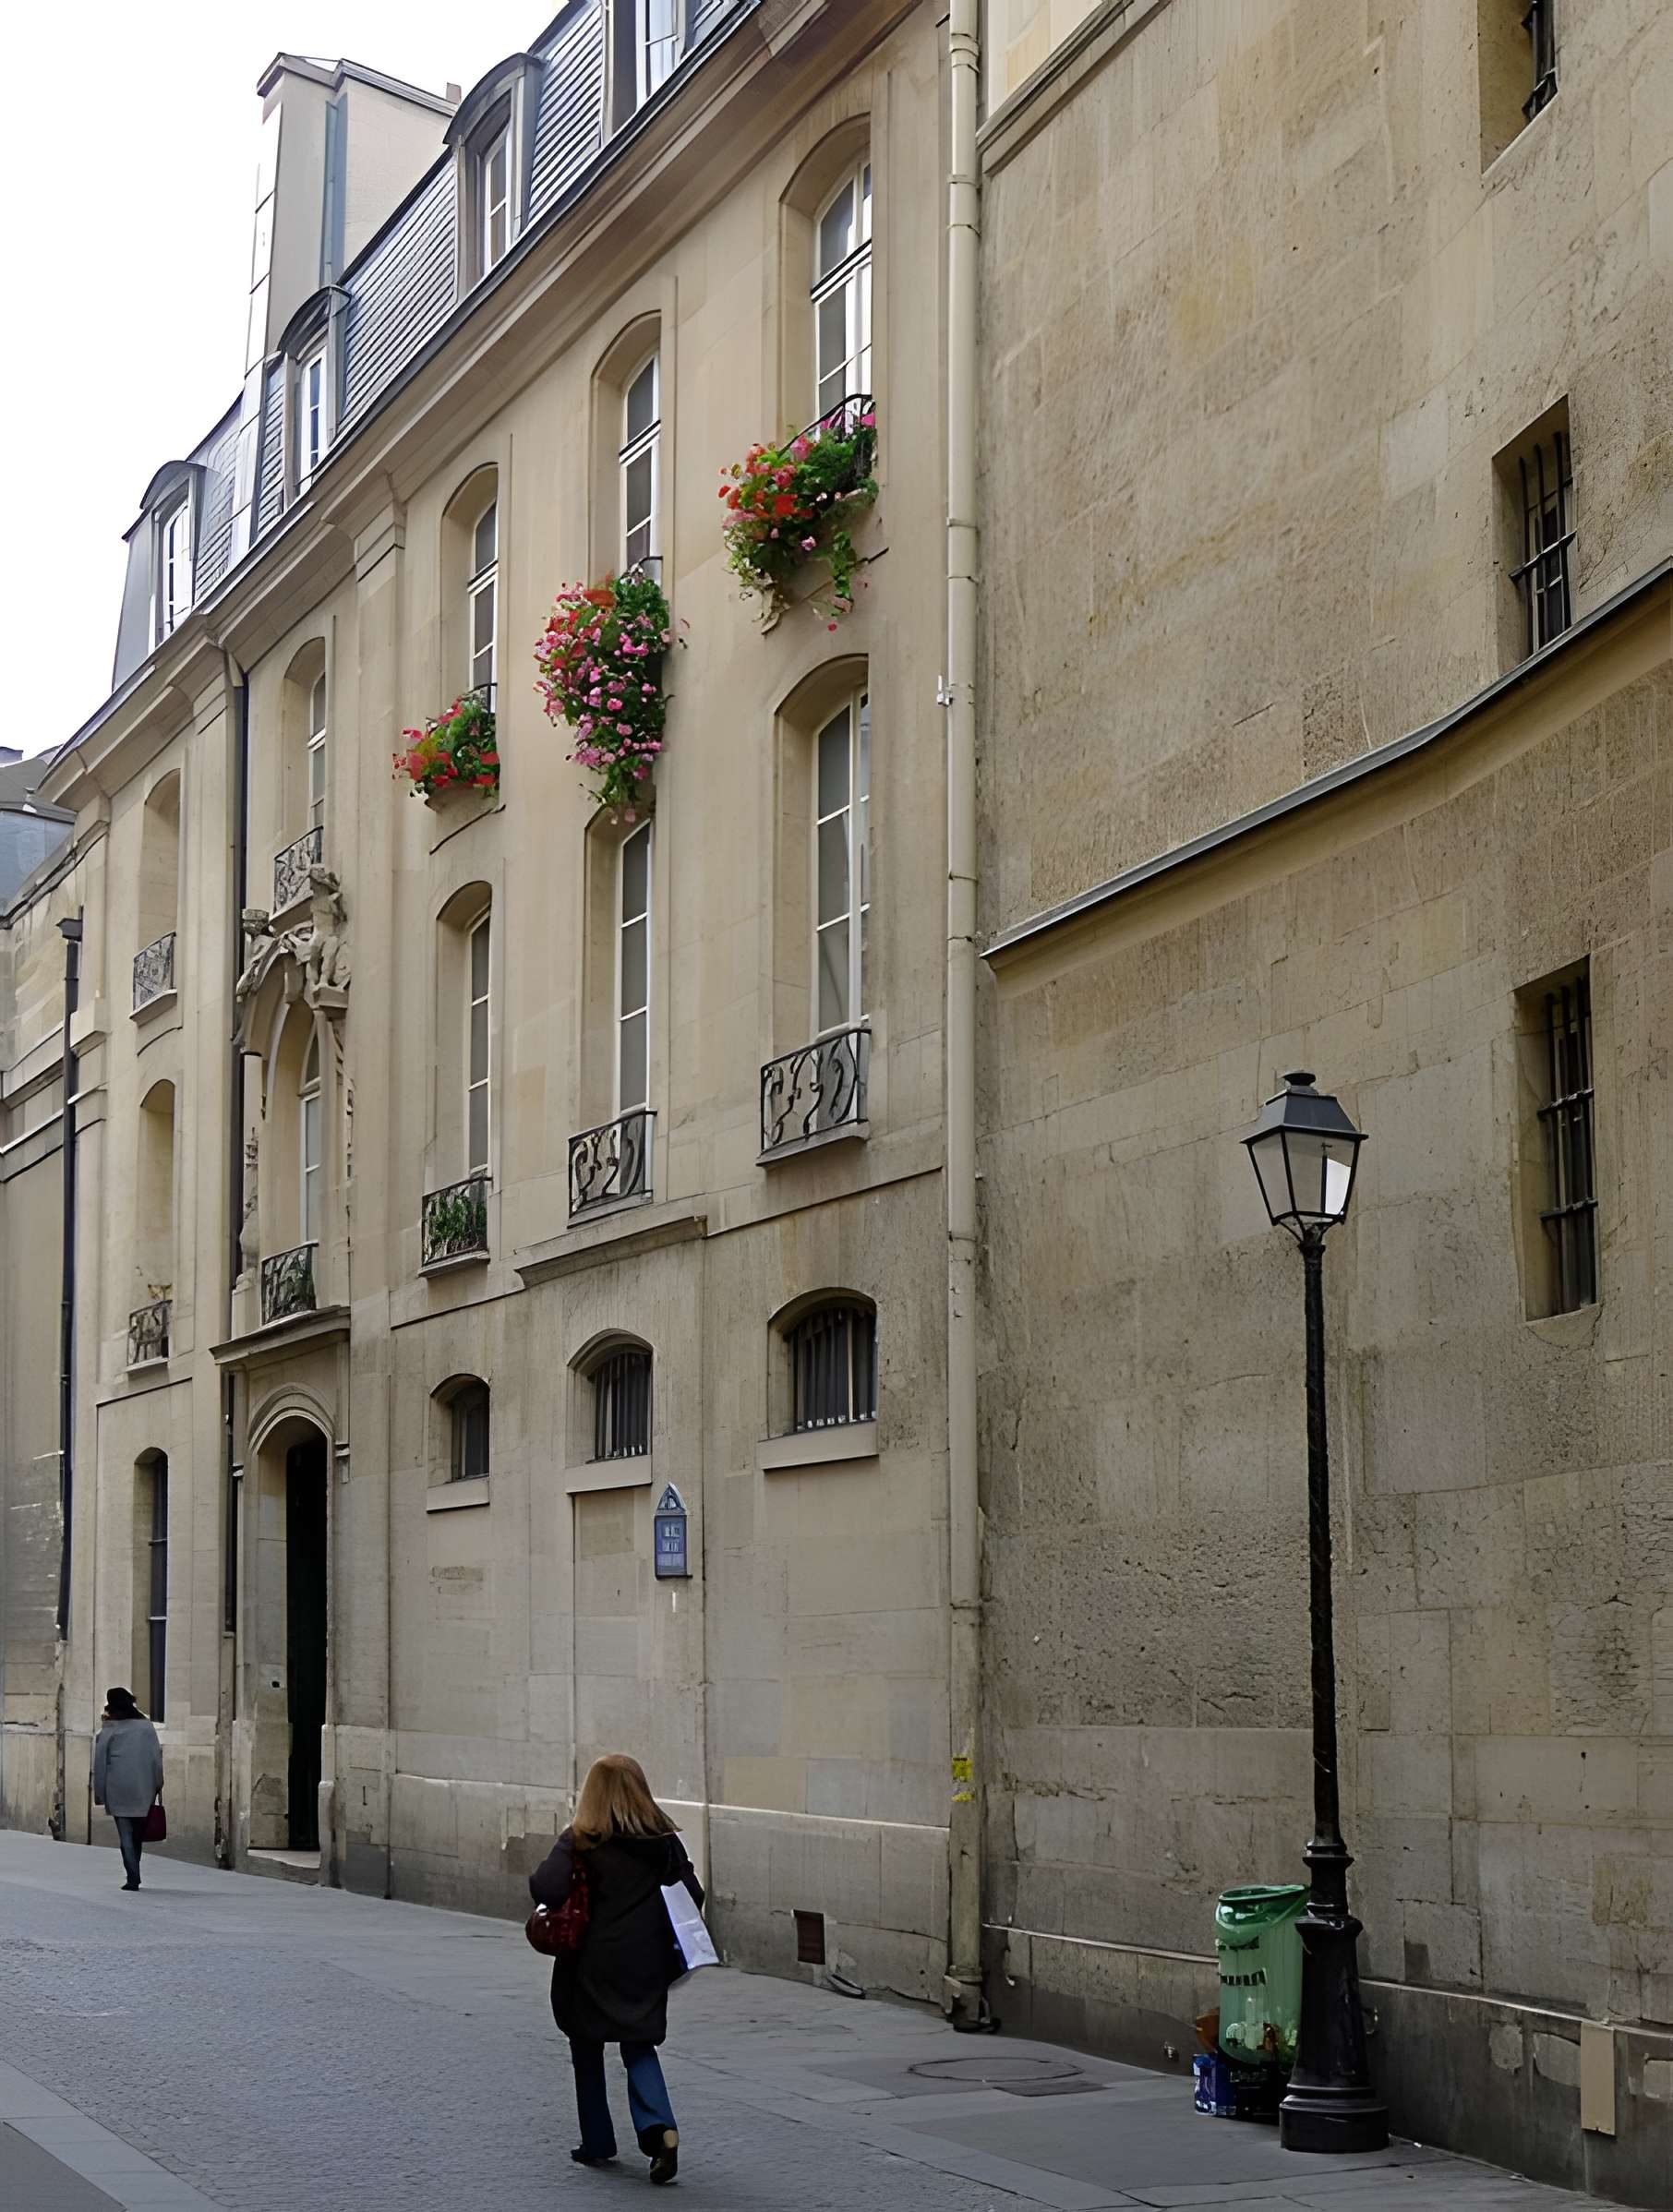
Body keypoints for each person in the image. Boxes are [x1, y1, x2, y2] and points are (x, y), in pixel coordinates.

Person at [529, 1753, 703, 2185]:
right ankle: (659, 2129)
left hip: (590, 1961)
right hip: (645, 1962)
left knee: (586, 2045)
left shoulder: (582, 1839)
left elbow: (545, 1887)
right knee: (639, 2044)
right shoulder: (662, 1840)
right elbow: (692, 1893)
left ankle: (597, 2140)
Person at [91, 1688, 163, 1892]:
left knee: (125, 1834)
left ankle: (133, 1875)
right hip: (143, 1786)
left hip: (118, 1787)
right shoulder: (146, 1727)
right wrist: (158, 1782)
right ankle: (135, 1869)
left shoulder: (109, 1729)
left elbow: (100, 1763)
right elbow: (156, 1758)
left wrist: (100, 1792)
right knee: (138, 1833)